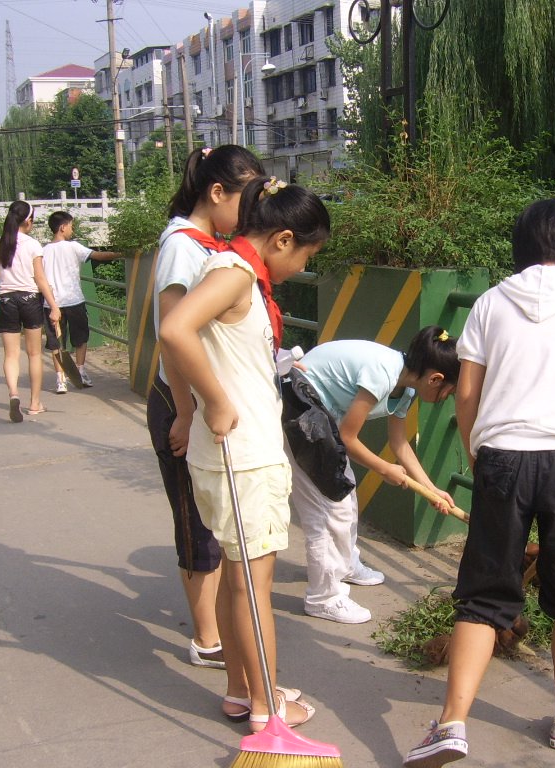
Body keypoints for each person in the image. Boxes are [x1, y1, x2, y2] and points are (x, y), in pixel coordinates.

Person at [404, 199, 555, 767]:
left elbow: (465, 395)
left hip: (503, 455)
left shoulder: (489, 304)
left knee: (483, 594)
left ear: (524, 244)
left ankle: (452, 724)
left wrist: (479, 454)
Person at [159, 174, 330, 732]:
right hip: (245, 455)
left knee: (239, 580)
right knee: (253, 590)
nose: (302, 267)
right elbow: (175, 328)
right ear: (282, 239)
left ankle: (242, 690)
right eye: (306, 254)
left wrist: (208, 404)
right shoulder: (234, 273)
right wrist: (214, 402)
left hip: (233, 451)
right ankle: (267, 710)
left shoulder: (233, 271)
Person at [147, 146, 264, 673]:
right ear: (217, 193)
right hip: (184, 401)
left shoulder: (204, 244)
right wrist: (188, 412)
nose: (254, 212)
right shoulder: (182, 247)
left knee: (212, 516)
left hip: (196, 401)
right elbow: (172, 335)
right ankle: (206, 637)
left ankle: (214, 631)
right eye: (248, 198)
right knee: (196, 519)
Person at [289, 328, 458, 624]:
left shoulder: (406, 385)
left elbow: (399, 444)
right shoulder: (383, 373)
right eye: (449, 392)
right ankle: (323, 596)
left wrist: (432, 490)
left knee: (345, 493)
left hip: (319, 415)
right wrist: (384, 469)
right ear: (435, 379)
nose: (447, 397)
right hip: (300, 406)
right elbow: (348, 438)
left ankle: (346, 564)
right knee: (328, 510)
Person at [0, 200, 61, 422]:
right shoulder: (34, 245)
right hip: (30, 299)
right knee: (34, 354)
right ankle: (35, 403)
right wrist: (53, 306)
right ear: (28, 220)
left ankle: (14, 394)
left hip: (6, 300)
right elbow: (40, 279)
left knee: (11, 354)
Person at [41, 211, 123, 393]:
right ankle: (80, 371)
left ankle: (60, 379)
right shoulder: (73, 247)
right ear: (63, 227)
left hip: (51, 304)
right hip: (73, 300)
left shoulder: (43, 251)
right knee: (81, 338)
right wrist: (120, 253)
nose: (72, 229)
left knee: (56, 343)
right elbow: (97, 256)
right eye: (71, 225)